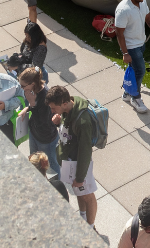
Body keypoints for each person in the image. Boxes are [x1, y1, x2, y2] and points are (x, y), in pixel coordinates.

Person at [46, 86, 98, 228]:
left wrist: (80, 177)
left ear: (64, 104)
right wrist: (59, 120)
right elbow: (68, 134)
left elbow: (85, 151)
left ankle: (91, 227)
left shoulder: (83, 122)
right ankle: (82, 217)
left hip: (79, 164)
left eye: (53, 108)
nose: (52, 111)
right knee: (79, 193)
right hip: (70, 162)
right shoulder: (67, 110)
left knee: (87, 195)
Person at [115, 0, 150, 114]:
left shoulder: (142, 2)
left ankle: (127, 93)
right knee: (140, 71)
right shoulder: (123, 9)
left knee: (134, 70)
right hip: (131, 47)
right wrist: (125, 53)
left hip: (141, 43)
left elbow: (148, 18)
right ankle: (135, 98)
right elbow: (119, 33)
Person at [18, 67, 60, 178]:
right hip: (34, 133)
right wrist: (27, 108)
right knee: (34, 161)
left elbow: (44, 122)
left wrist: (32, 104)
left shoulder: (46, 96)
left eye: (23, 86)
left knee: (51, 166)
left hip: (46, 139)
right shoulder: (33, 91)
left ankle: (57, 188)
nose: (22, 88)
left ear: (32, 84)